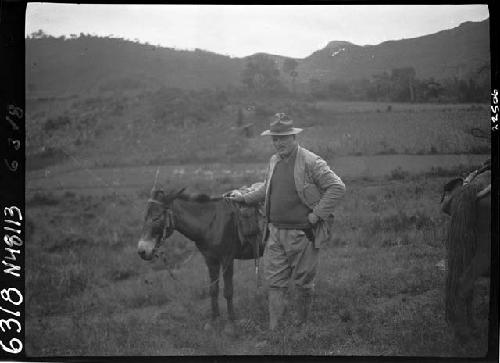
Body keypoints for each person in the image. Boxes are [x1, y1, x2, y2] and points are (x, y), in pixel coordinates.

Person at [228, 112, 346, 331]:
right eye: (275, 138)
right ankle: (276, 330)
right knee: (275, 283)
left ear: (294, 137)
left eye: (283, 137)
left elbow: (337, 187)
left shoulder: (311, 161)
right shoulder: (274, 160)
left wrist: (317, 214)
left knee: (303, 283)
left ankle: (301, 329)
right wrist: (244, 198)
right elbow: (267, 188)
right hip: (274, 233)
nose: (278, 142)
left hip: (303, 235)